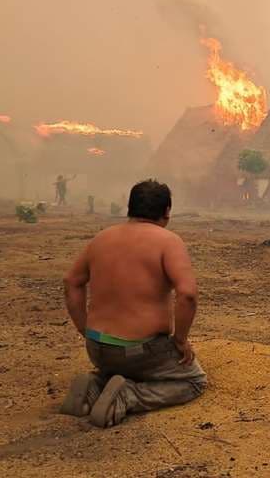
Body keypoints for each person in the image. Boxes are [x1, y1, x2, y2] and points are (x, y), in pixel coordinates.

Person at [61, 179, 207, 428]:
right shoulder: (168, 241)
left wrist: (84, 329)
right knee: (193, 382)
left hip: (97, 347)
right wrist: (180, 340)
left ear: (130, 207)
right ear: (167, 211)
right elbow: (188, 294)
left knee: (122, 367)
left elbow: (71, 282)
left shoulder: (101, 238)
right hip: (141, 351)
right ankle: (129, 396)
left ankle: (95, 386)